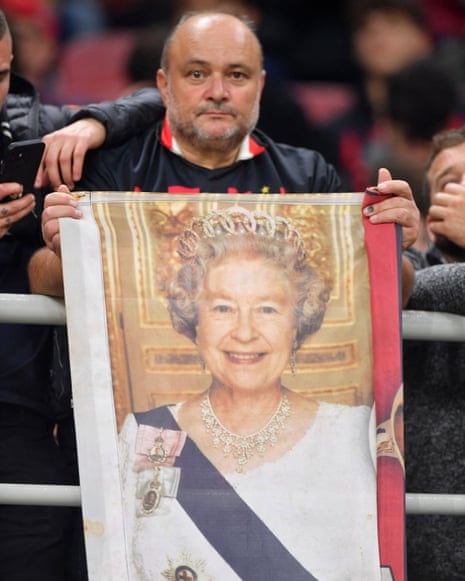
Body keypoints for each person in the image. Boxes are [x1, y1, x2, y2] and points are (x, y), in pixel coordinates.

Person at [33, 9, 419, 305]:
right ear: (164, 87)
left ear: (260, 85)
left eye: (236, 75)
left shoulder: (308, 175)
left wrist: (392, 247)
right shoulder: (110, 165)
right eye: (197, 74)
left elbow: (385, 294)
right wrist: (69, 253)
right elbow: (39, 278)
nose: (218, 91)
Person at [117, 204, 380, 579]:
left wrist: (393, 241)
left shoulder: (352, 433)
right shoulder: (146, 434)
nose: (244, 332)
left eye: (268, 309)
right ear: (195, 322)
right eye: (223, 308)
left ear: (297, 324)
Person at [0, 7, 167, 580]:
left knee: (43, 527)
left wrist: (89, 123)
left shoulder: (28, 127)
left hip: (17, 403)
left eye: (0, 76)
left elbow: (154, 101)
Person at [403, 126, 465, 579]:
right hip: (425, 553)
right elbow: (393, 291)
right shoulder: (413, 273)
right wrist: (392, 247)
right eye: (451, 182)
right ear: (429, 218)